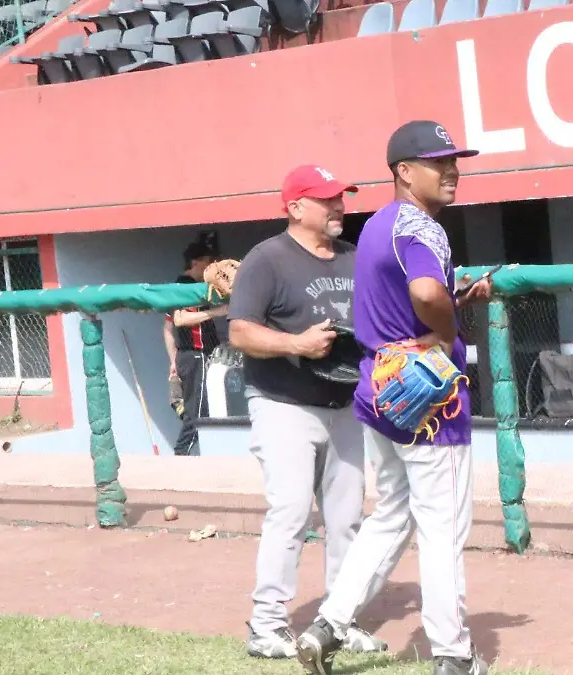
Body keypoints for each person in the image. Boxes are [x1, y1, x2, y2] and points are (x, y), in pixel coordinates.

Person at [294, 121, 492, 675]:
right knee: (442, 529)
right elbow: (425, 293)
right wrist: (448, 328)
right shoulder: (424, 227)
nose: (452, 170)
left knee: (390, 515)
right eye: (438, 162)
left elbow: (412, 296)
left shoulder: (378, 224)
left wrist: (456, 299)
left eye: (454, 160)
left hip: (381, 391)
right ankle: (453, 654)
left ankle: (328, 625)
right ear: (404, 171)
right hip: (429, 403)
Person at [228, 165, 386, 659]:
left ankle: (339, 621)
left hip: (345, 404)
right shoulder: (266, 259)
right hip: (283, 403)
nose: (339, 206)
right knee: (291, 512)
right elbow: (240, 331)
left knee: (347, 518)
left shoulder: (355, 258)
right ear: (295, 207)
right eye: (327, 199)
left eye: (341, 197)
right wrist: (296, 343)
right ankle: (267, 625)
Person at [163, 240, 224, 456]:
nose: (212, 265)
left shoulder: (186, 287)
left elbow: (167, 329)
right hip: (196, 356)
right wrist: (218, 311)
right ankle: (180, 458)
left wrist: (173, 361)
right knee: (197, 414)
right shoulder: (186, 287)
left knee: (201, 411)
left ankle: (190, 457)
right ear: (195, 262)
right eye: (209, 261)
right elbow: (180, 319)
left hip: (190, 357)